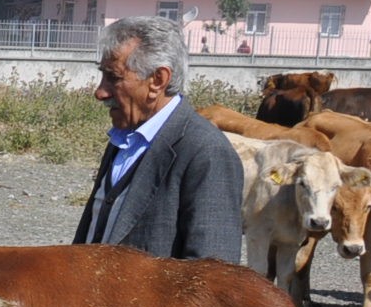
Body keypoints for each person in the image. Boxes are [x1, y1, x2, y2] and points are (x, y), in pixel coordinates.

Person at [74, 15, 244, 262]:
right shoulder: (124, 138)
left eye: (114, 77)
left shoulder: (206, 152)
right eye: (103, 75)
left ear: (157, 80)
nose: (100, 92)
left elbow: (214, 275)